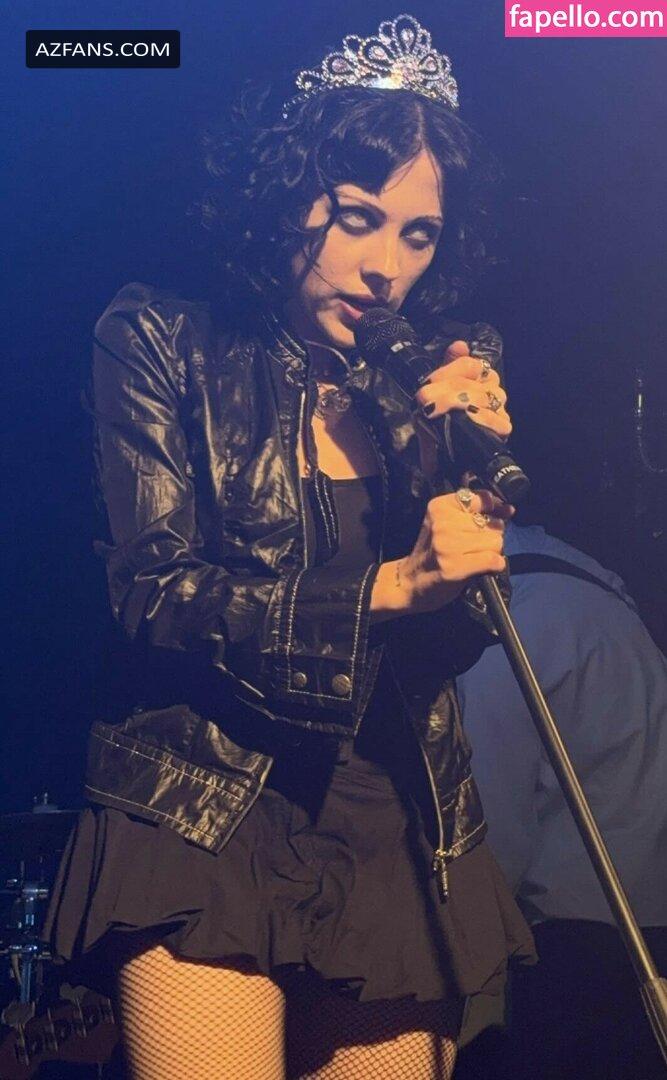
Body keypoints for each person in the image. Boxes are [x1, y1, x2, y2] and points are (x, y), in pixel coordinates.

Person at [43, 15, 536, 1080]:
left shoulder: (415, 391)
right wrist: (387, 587)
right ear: (284, 197)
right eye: (357, 218)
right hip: (206, 804)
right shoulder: (161, 338)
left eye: (418, 235)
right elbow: (153, 589)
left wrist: (456, 482)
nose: (385, 266)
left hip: (391, 820)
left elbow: (449, 645)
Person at [455, 521, 667, 1079]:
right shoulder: (601, 601)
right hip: (649, 932)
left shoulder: (510, 615)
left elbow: (488, 824)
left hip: (571, 952)